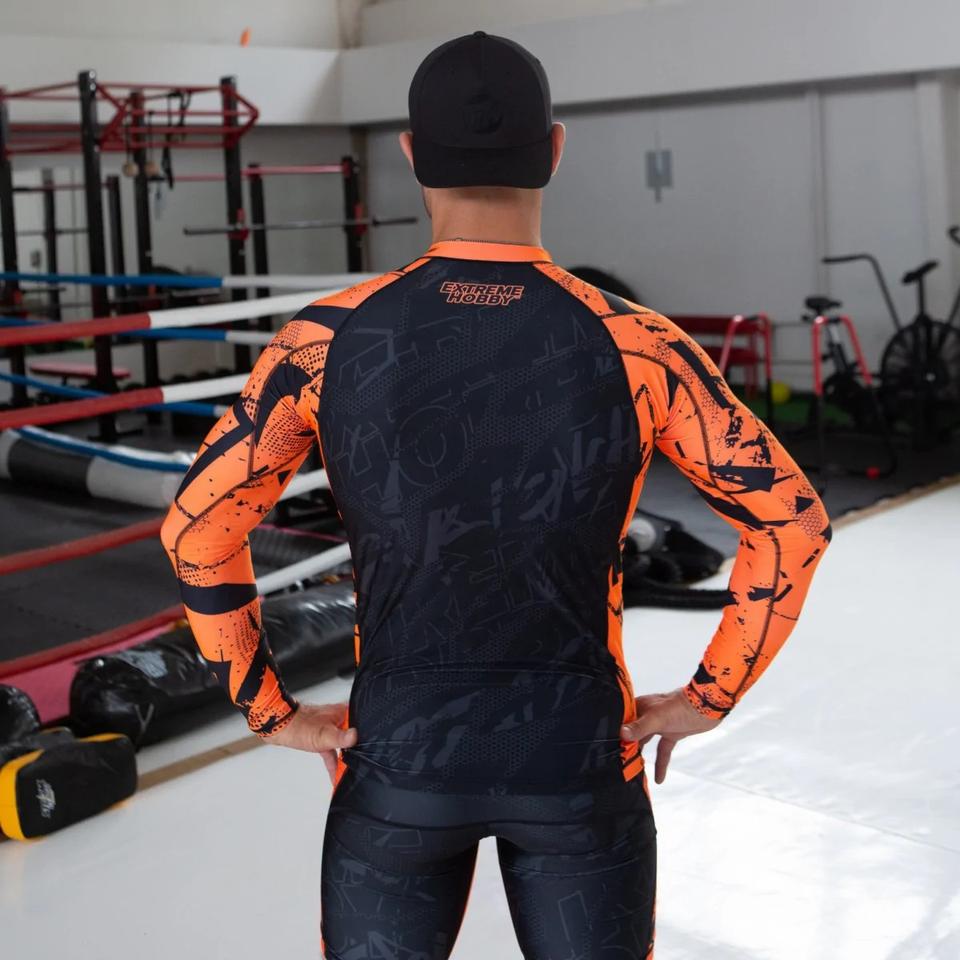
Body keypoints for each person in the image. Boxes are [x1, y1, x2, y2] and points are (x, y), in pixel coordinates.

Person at [160, 31, 830, 960]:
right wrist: (709, 697)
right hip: (579, 761)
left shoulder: (321, 343)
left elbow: (196, 531)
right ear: (553, 150)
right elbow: (792, 524)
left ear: (410, 155)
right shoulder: (641, 345)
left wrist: (267, 706)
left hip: (397, 763)